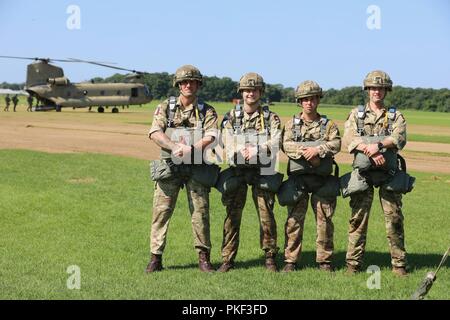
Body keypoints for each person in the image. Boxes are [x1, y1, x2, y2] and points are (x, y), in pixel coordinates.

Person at [146, 65, 219, 273]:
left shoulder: (207, 110)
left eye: (193, 82)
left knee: (200, 213)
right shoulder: (165, 107)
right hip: (170, 167)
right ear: (178, 85)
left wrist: (192, 149)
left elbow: (212, 135)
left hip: (196, 168)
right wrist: (174, 146)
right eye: (184, 82)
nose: (188, 85)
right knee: (161, 212)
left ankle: (204, 258)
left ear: (198, 85)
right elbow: (154, 132)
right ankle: (155, 258)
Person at [343, 70, 410, 276]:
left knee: (395, 220)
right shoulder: (356, 114)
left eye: (380, 88)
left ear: (386, 90)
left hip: (389, 174)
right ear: (367, 90)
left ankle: (399, 265)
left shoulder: (395, 115)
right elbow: (349, 138)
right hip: (363, 175)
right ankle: (353, 265)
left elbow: (399, 137)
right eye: (373, 88)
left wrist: (378, 145)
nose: (376, 92)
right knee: (357, 221)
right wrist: (369, 151)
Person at [216, 72, 282, 272]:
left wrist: (257, 149)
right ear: (241, 92)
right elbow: (225, 141)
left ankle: (270, 256)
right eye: (246, 90)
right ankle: (227, 259)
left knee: (267, 216)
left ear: (260, 92)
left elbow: (277, 140)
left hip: (263, 171)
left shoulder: (271, 118)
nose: (250, 94)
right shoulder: (231, 117)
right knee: (232, 217)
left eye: (254, 90)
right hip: (238, 173)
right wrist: (239, 150)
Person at [280, 80, 341, 272]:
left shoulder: (328, 125)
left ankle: (325, 261)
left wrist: (318, 151)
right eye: (305, 99)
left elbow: (336, 144)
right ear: (300, 102)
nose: (309, 103)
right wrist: (306, 152)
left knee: (325, 222)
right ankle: (290, 260)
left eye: (312, 99)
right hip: (298, 182)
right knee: (294, 222)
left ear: (318, 100)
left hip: (322, 181)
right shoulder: (291, 124)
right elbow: (286, 144)